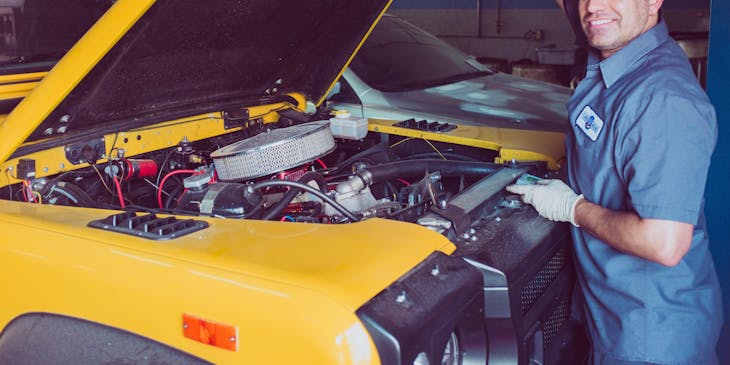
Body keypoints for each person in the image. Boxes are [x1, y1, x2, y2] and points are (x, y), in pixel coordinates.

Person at [507, 0, 723, 364]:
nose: (593, 6)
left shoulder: (662, 100)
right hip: (613, 323)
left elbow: (664, 243)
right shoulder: (618, 57)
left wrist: (572, 208)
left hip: (650, 339)